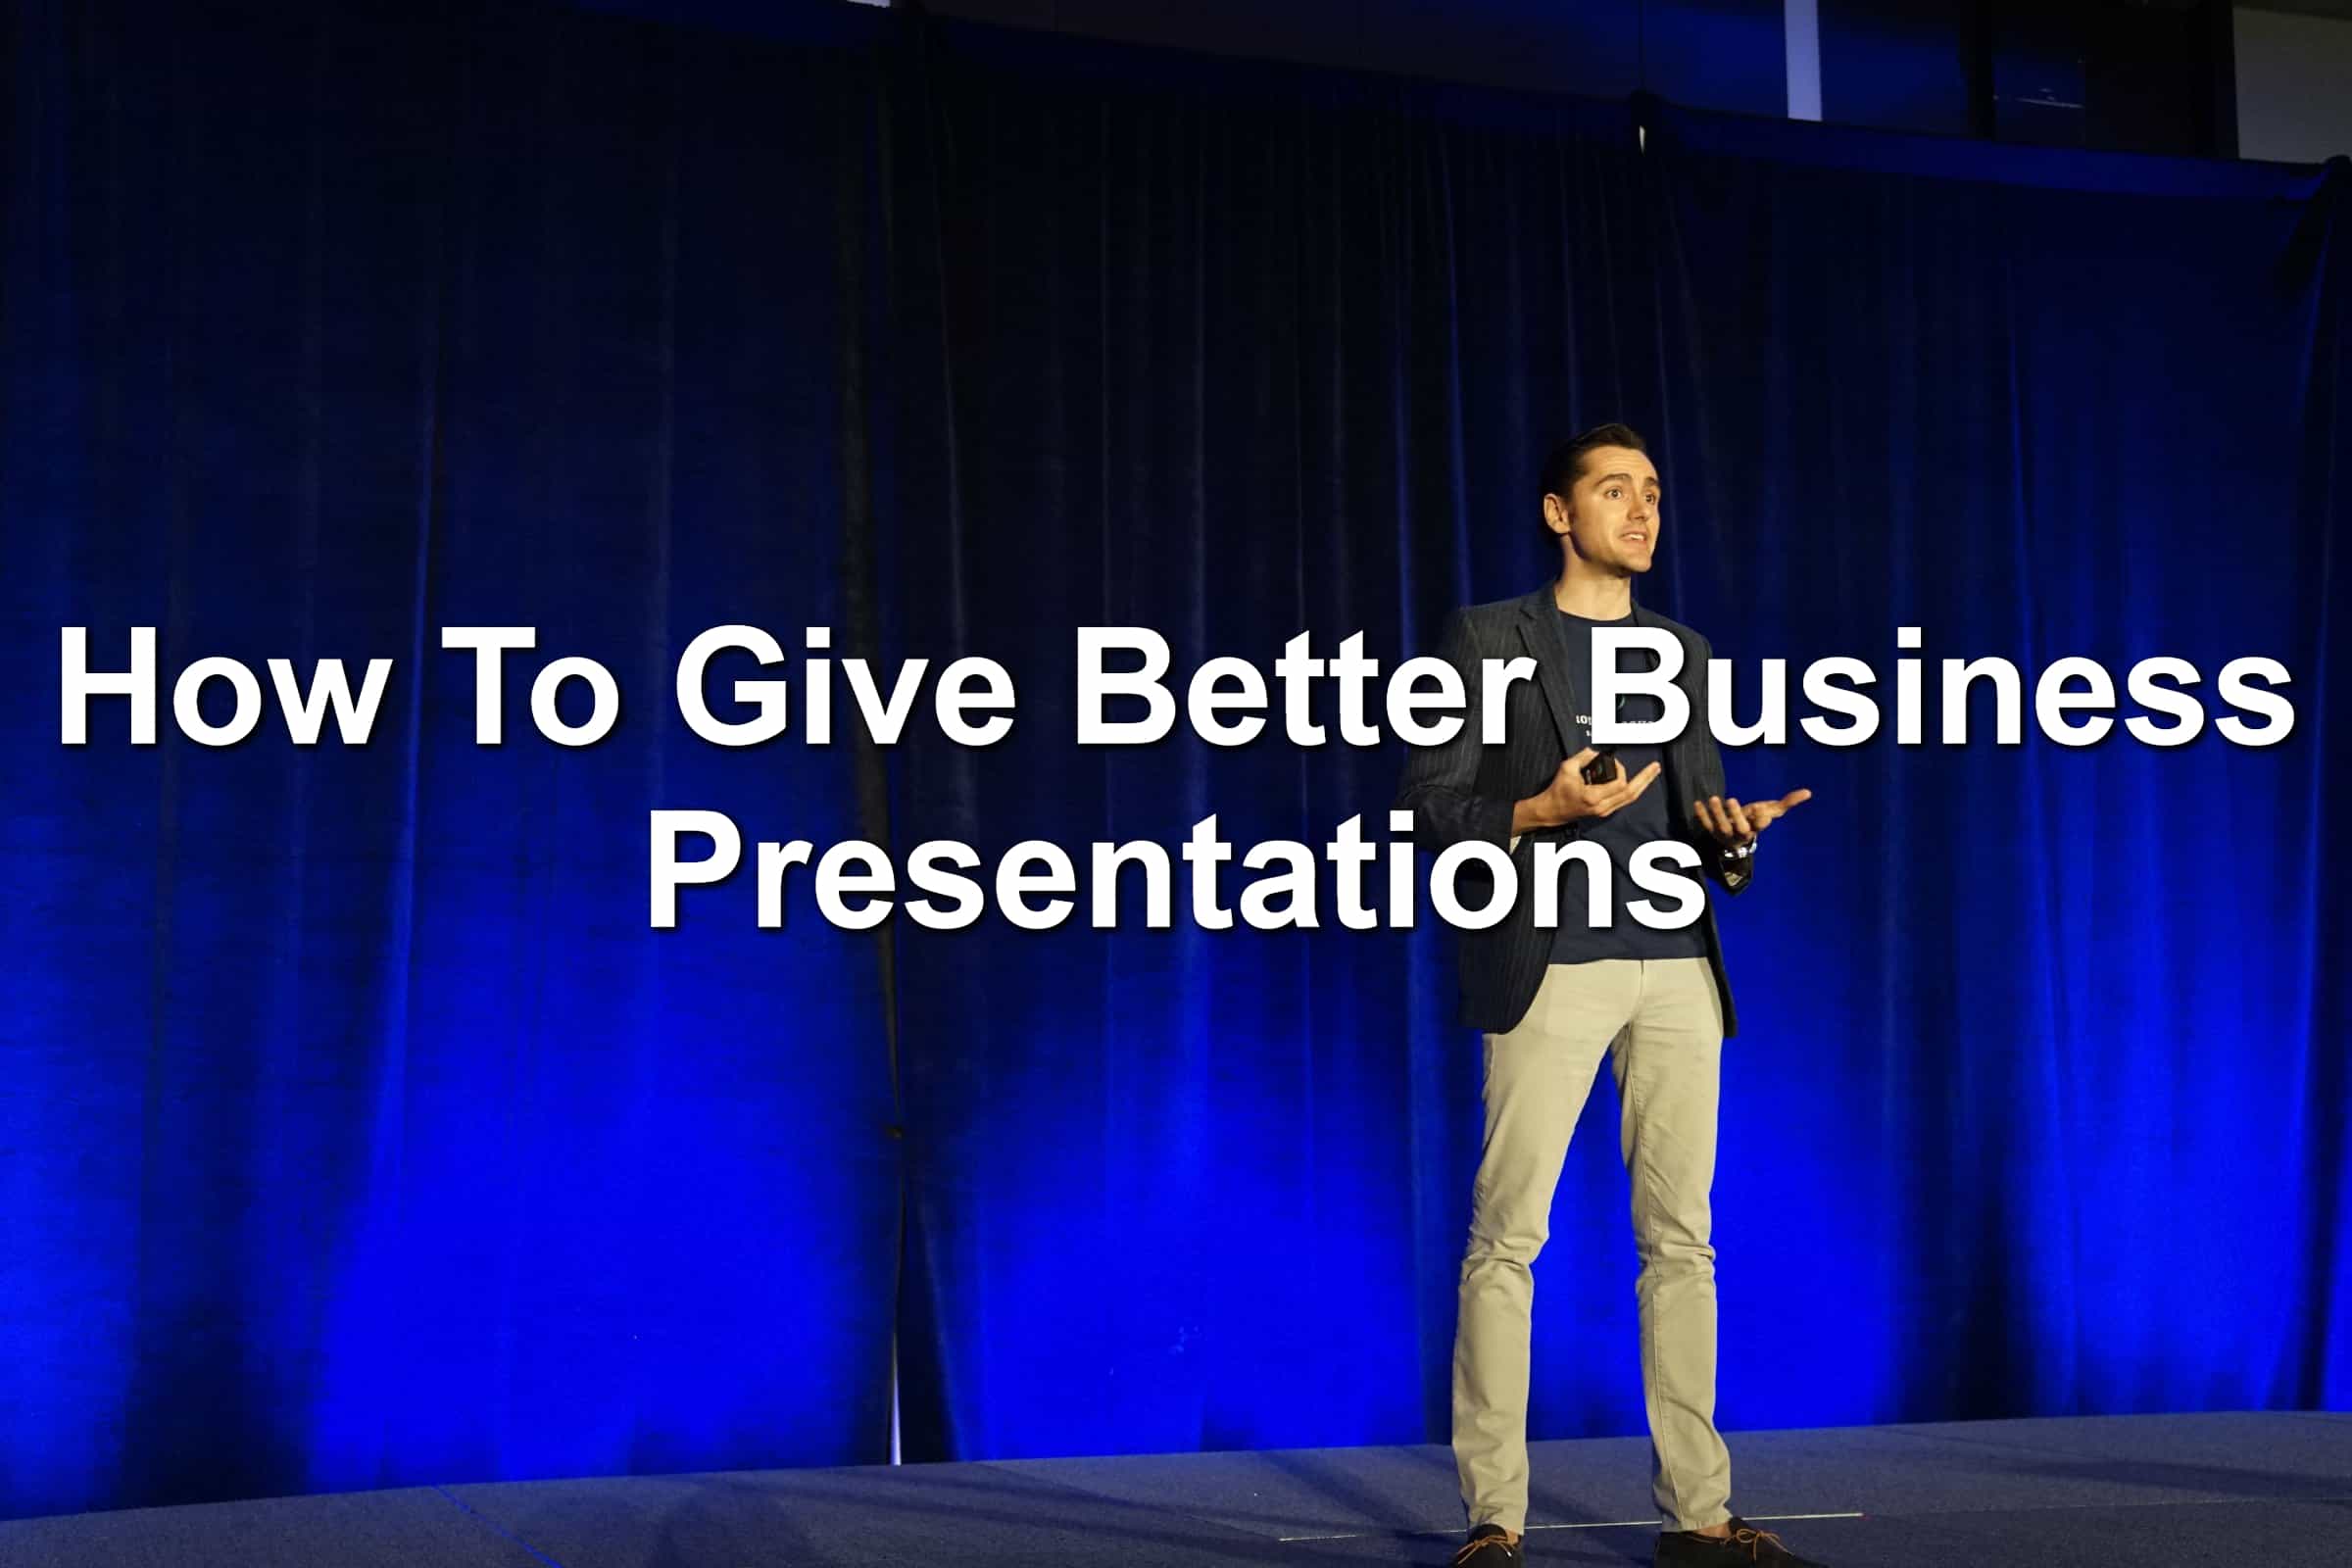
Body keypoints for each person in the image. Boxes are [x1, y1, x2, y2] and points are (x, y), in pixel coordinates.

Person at [1394, 423, 1819, 1567]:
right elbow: (1431, 803)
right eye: (1615, 491)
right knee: (1507, 1243)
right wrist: (1541, 811)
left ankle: (1699, 1514)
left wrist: (1733, 840)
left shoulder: (1681, 651)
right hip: (1549, 963)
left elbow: (1698, 818)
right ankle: (1496, 1518)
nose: (1641, 511)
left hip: (1676, 964)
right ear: (1557, 513)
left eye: (1654, 494)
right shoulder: (1487, 639)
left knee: (1683, 1240)